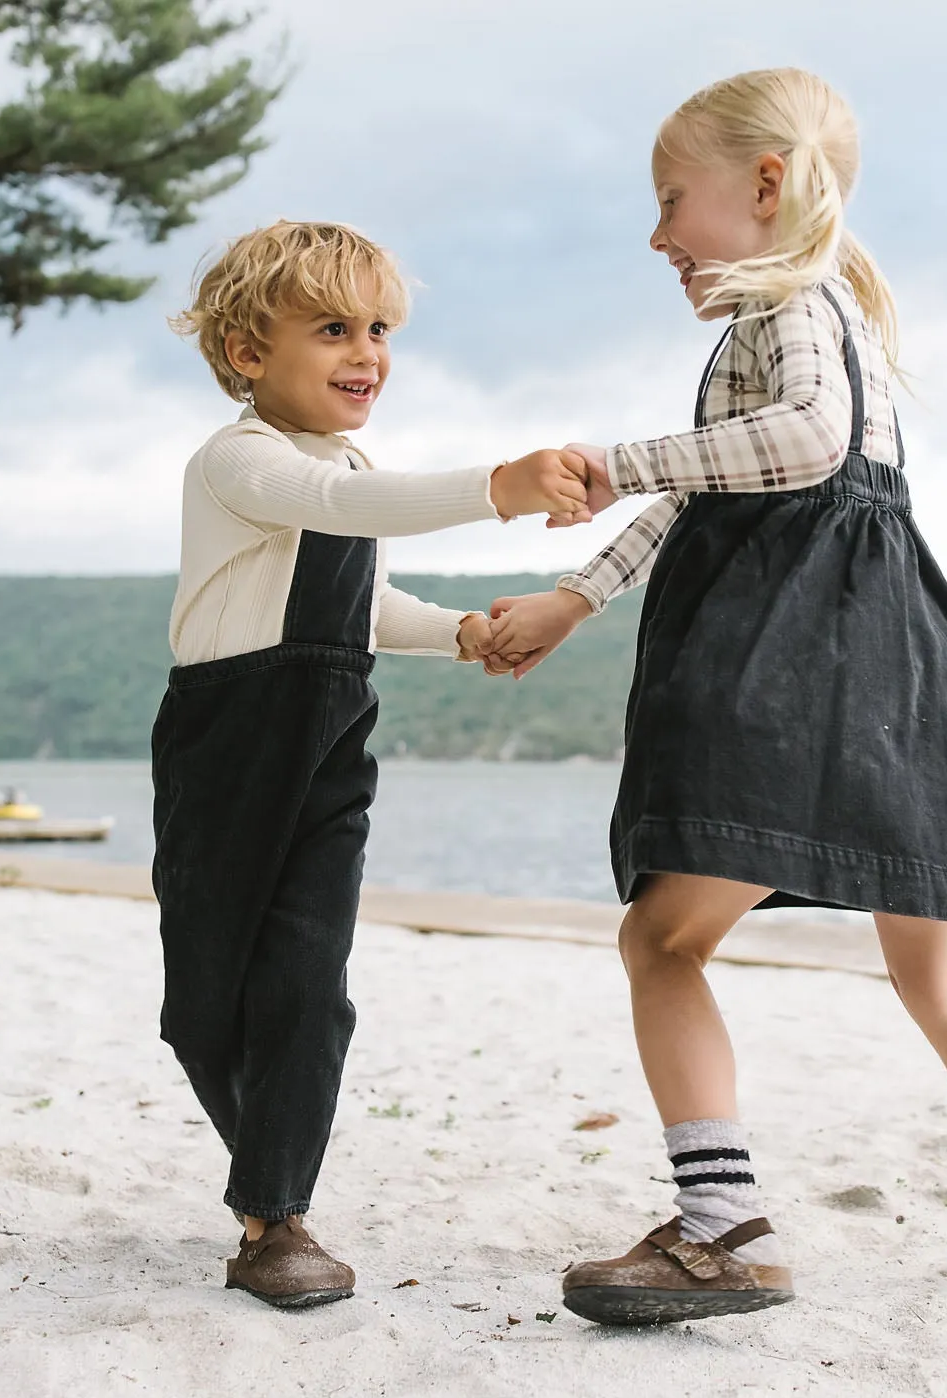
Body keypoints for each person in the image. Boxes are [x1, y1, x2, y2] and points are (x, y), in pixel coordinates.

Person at [481, 69, 947, 1326]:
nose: (656, 237)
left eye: (668, 203)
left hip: (794, 664)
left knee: (663, 939)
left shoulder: (791, 308)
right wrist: (573, 595)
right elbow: (723, 482)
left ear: (763, 186)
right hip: (898, 677)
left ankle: (722, 1227)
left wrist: (614, 460)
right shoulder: (829, 316)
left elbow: (800, 443)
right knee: (939, 984)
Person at [157, 220, 590, 1308]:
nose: (367, 352)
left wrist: (456, 631)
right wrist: (496, 484)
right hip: (225, 740)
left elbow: (356, 604)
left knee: (307, 977)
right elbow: (339, 511)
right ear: (249, 355)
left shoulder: (349, 467)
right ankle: (266, 1161)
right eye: (333, 328)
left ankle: (275, 1215)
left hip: (328, 736)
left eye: (380, 329)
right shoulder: (241, 461)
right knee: (204, 1003)